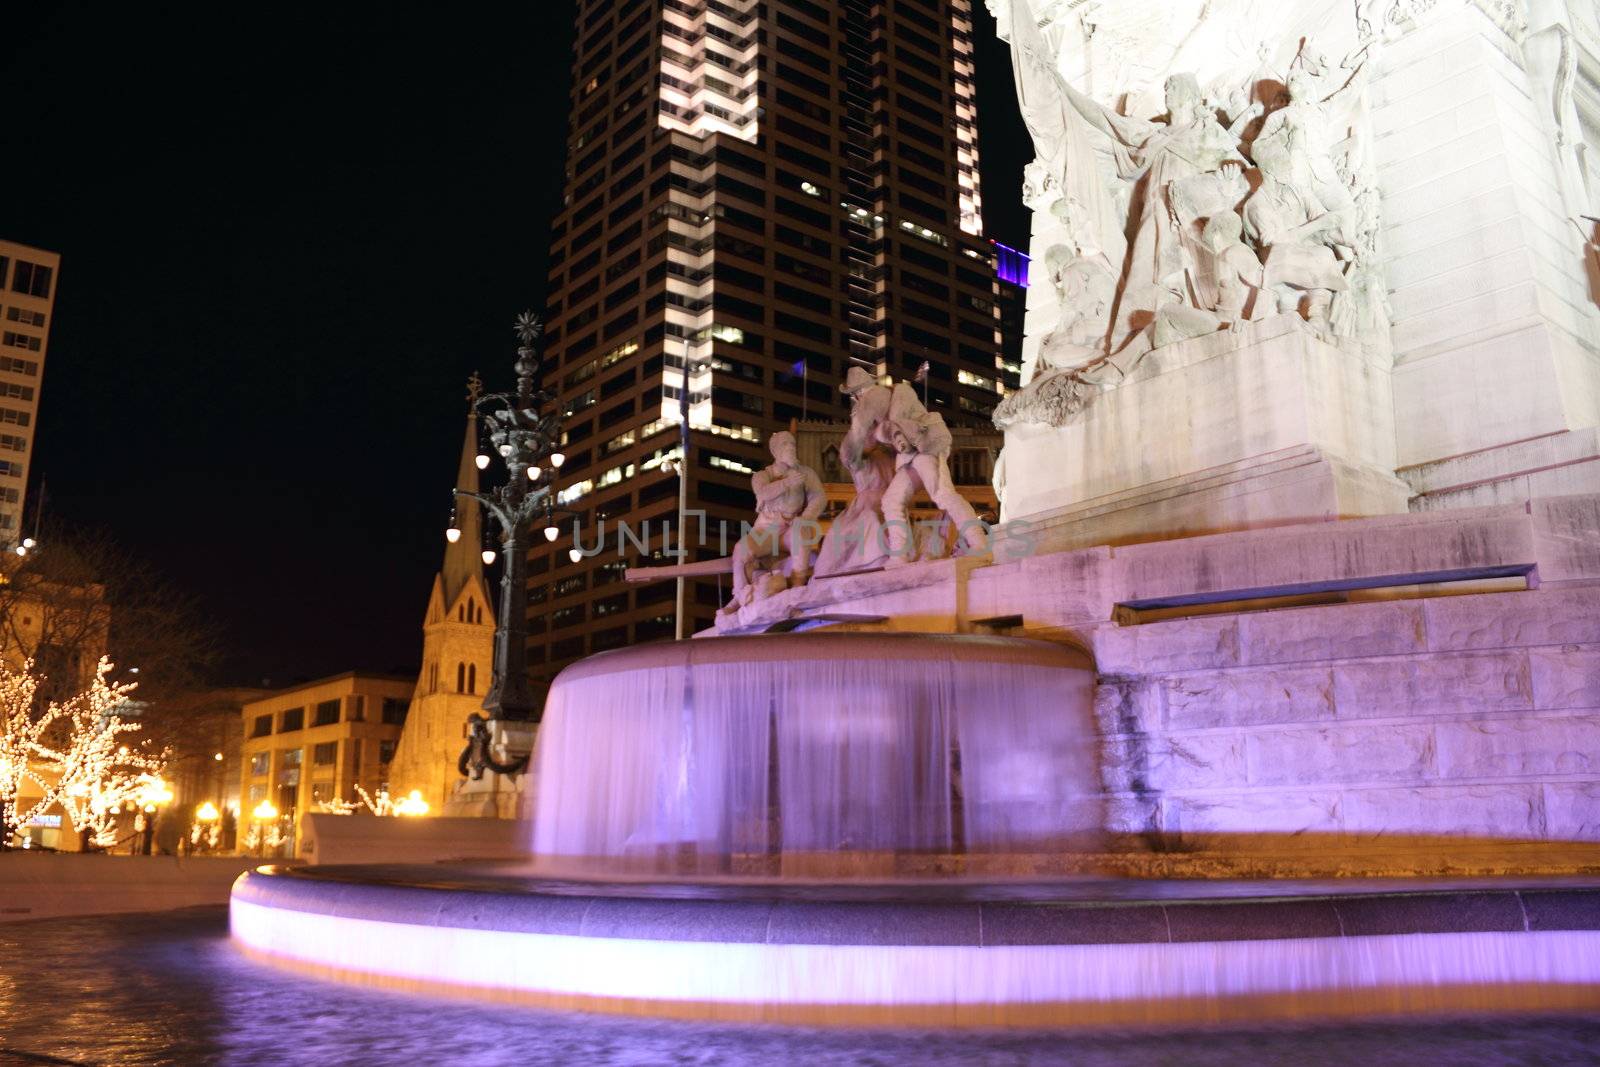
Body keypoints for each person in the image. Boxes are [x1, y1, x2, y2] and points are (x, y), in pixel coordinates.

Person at [839, 367, 984, 564]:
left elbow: (858, 433)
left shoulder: (870, 399)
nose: (854, 398)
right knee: (892, 501)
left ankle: (978, 543)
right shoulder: (886, 395)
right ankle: (900, 556)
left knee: (942, 494)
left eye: (853, 394)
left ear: (855, 392)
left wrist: (848, 454)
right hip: (909, 455)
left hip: (924, 446)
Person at [728, 431, 824, 607]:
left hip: (792, 526)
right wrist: (787, 483)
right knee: (742, 549)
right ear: (775, 451)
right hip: (767, 529)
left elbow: (819, 497)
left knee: (801, 531)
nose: (790, 448)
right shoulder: (762, 475)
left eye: (792, 444)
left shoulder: (806, 473)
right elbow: (762, 492)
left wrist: (806, 517)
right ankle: (740, 595)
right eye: (785, 445)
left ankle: (798, 587)